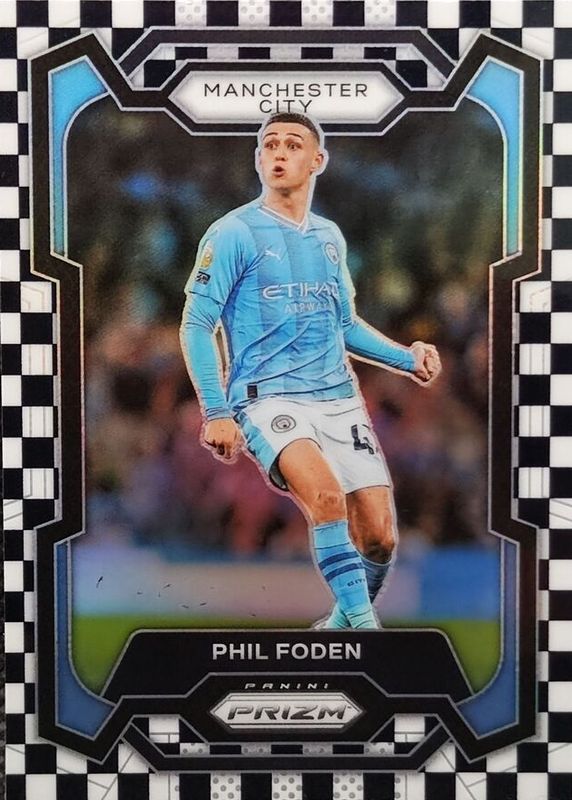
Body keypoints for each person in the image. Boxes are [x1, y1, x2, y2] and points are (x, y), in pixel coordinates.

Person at [180, 112, 441, 629]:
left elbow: (344, 325)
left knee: (380, 538)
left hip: (338, 399)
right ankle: (367, 634)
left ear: (317, 160)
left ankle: (341, 628)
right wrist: (216, 411)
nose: (279, 152)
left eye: (293, 144)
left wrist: (406, 359)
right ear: (258, 158)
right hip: (267, 399)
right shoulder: (232, 232)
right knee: (324, 497)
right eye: (269, 144)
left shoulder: (328, 237)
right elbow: (196, 324)